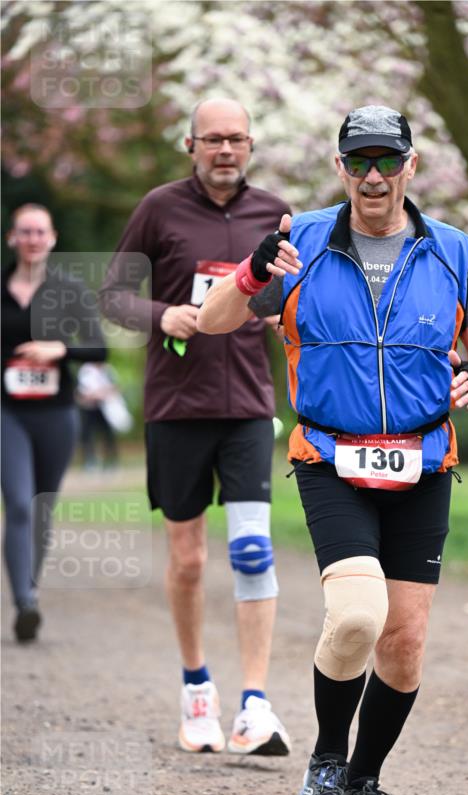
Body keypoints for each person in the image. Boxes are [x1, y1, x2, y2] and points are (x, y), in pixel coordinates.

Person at [198, 105, 468, 795]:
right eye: (359, 161)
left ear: (410, 165)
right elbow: (213, 320)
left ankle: (365, 783)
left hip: (424, 461)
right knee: (359, 616)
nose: (373, 176)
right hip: (332, 457)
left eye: (386, 160)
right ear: (339, 167)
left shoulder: (453, 251)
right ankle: (326, 762)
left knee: (402, 644)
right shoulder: (295, 243)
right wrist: (248, 273)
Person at [98, 98, 291, 757]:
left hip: (246, 406)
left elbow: (292, 295)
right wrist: (161, 315)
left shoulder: (274, 214)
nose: (225, 150)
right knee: (187, 559)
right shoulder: (159, 208)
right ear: (190, 144)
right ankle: (196, 689)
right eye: (212, 139)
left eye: (236, 139)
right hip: (177, 407)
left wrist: (276, 310)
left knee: (251, 552)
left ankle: (257, 705)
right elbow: (113, 295)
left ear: (251, 144)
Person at [1, 203, 107, 641]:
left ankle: (31, 589)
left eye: (39, 232)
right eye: (24, 232)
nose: (32, 239)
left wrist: (58, 350)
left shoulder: (69, 290)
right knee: (21, 505)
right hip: (7, 412)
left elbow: (99, 349)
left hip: (57, 413)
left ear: (52, 238)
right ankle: (25, 601)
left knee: (42, 508)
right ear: (12, 238)